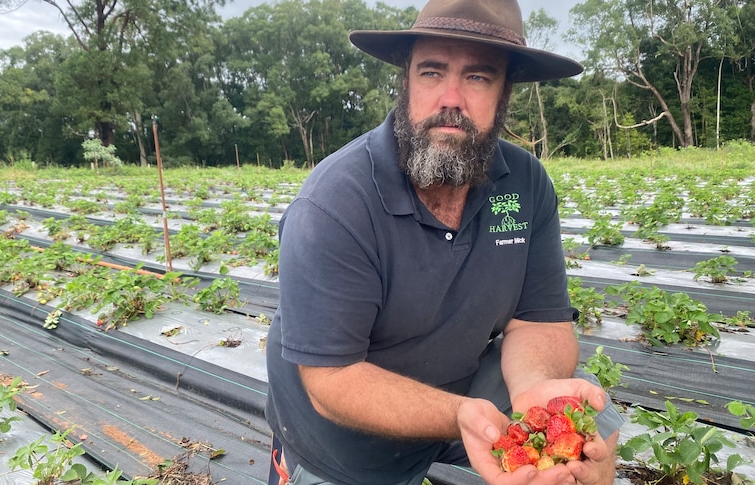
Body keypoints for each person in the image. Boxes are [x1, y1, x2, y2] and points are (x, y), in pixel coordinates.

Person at [265, 0, 624, 484]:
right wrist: (462, 414)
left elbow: (540, 323)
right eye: (432, 73)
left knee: (583, 415)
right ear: (406, 81)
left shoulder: (524, 184)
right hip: (345, 442)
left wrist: (533, 389)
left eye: (478, 77)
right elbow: (333, 382)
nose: (451, 98)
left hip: (462, 394)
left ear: (504, 92)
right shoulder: (336, 203)